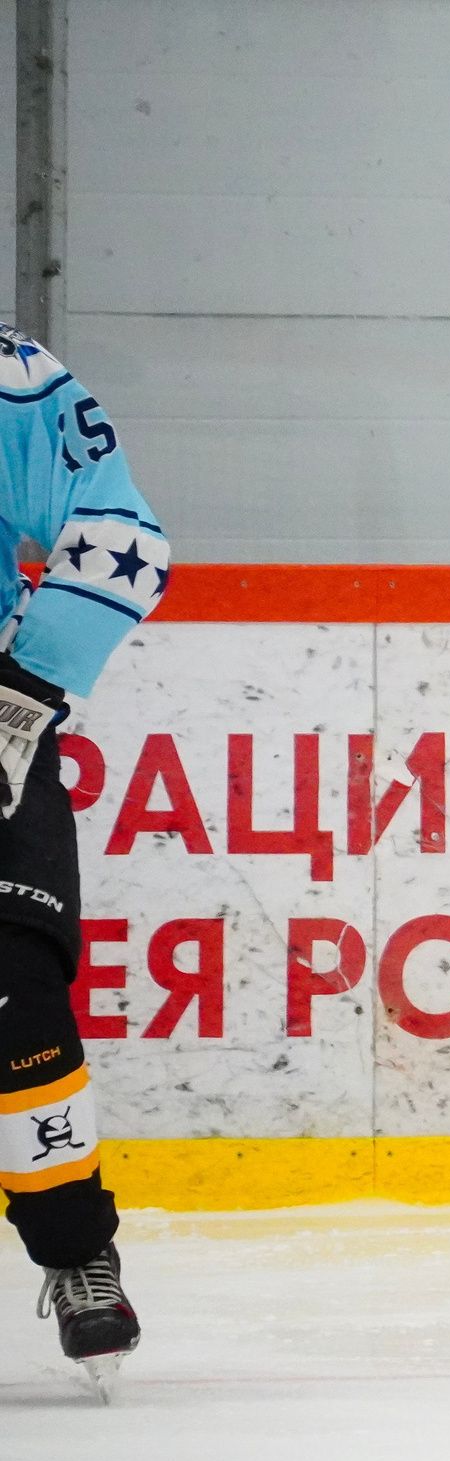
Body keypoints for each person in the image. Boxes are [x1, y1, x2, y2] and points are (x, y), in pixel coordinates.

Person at [0, 326, 171, 1381]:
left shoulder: (9, 379)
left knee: (13, 980)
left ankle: (76, 1252)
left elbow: (122, 534)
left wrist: (23, 694)